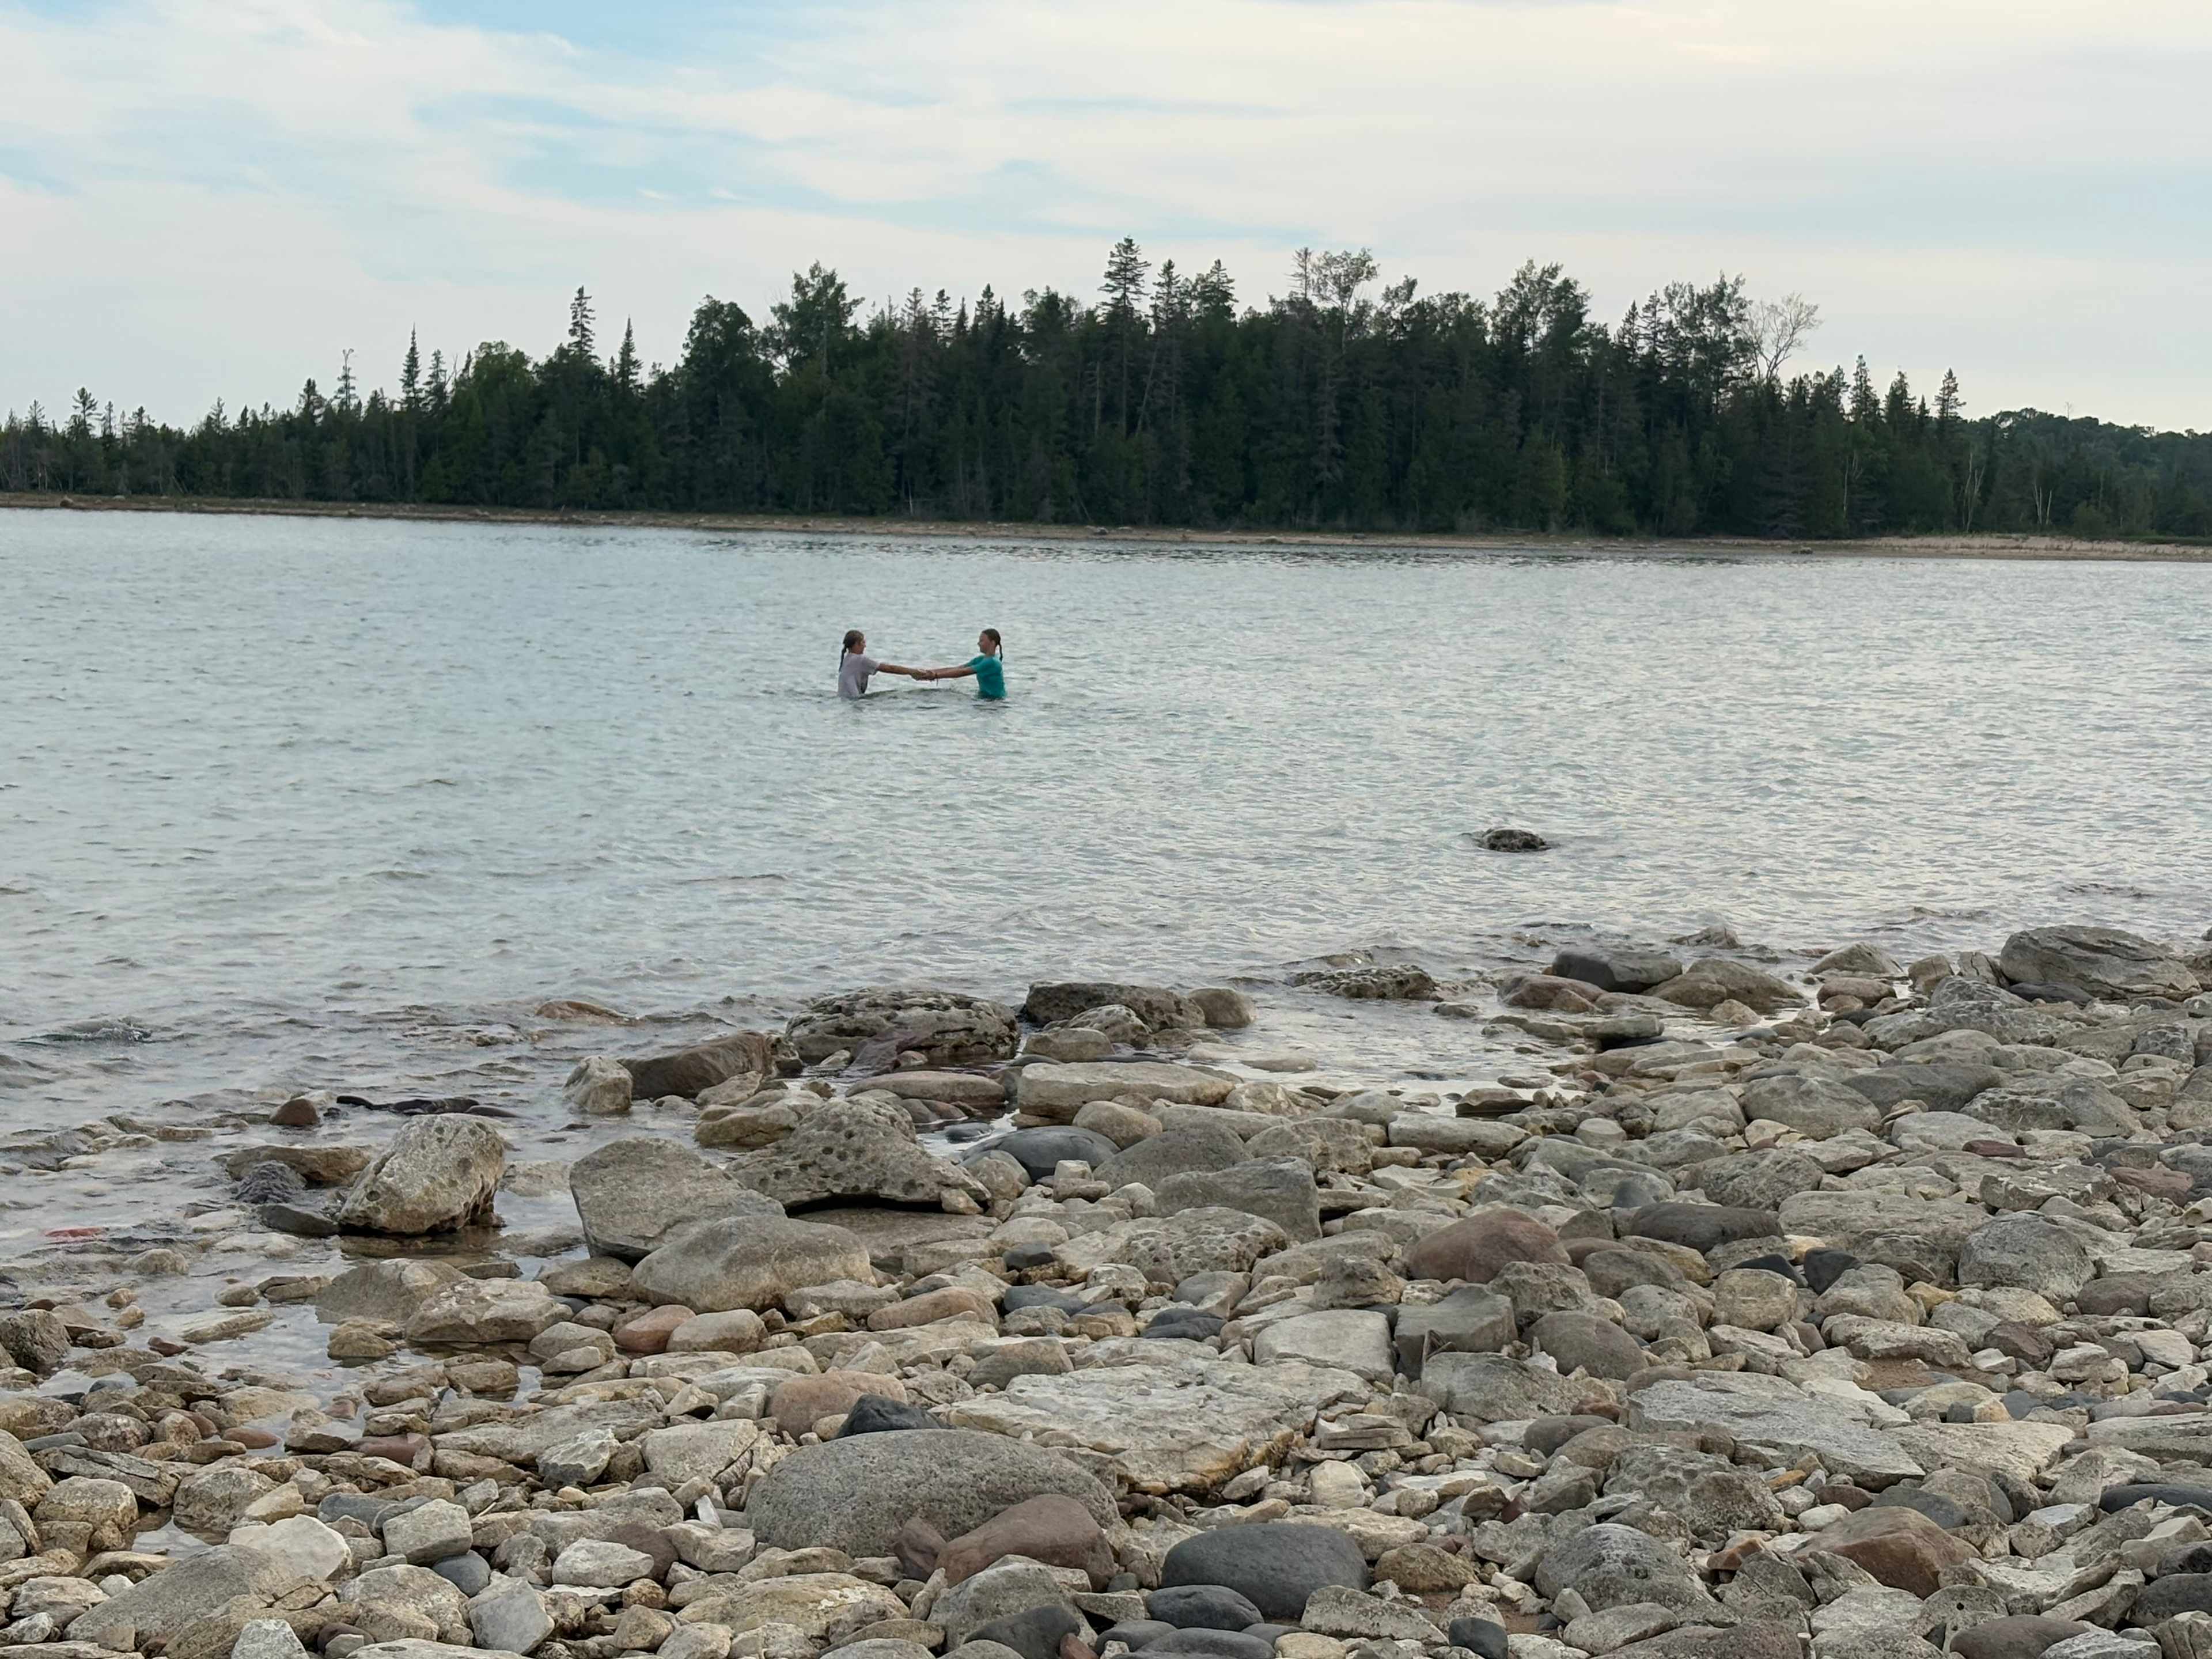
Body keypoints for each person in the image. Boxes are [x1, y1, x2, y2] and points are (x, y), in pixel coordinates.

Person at [912, 628, 1007, 700]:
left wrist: (936, 676)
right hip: (985, 699)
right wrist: (929, 672)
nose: (978, 643)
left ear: (992, 643)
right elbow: (958, 668)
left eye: (982, 641)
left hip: (995, 702)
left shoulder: (992, 662)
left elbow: (963, 673)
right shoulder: (981, 659)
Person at [837, 630, 922, 699]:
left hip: (843, 699)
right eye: (863, 643)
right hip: (853, 700)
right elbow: (889, 668)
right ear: (856, 644)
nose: (865, 646)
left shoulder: (847, 660)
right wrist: (913, 672)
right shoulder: (860, 660)